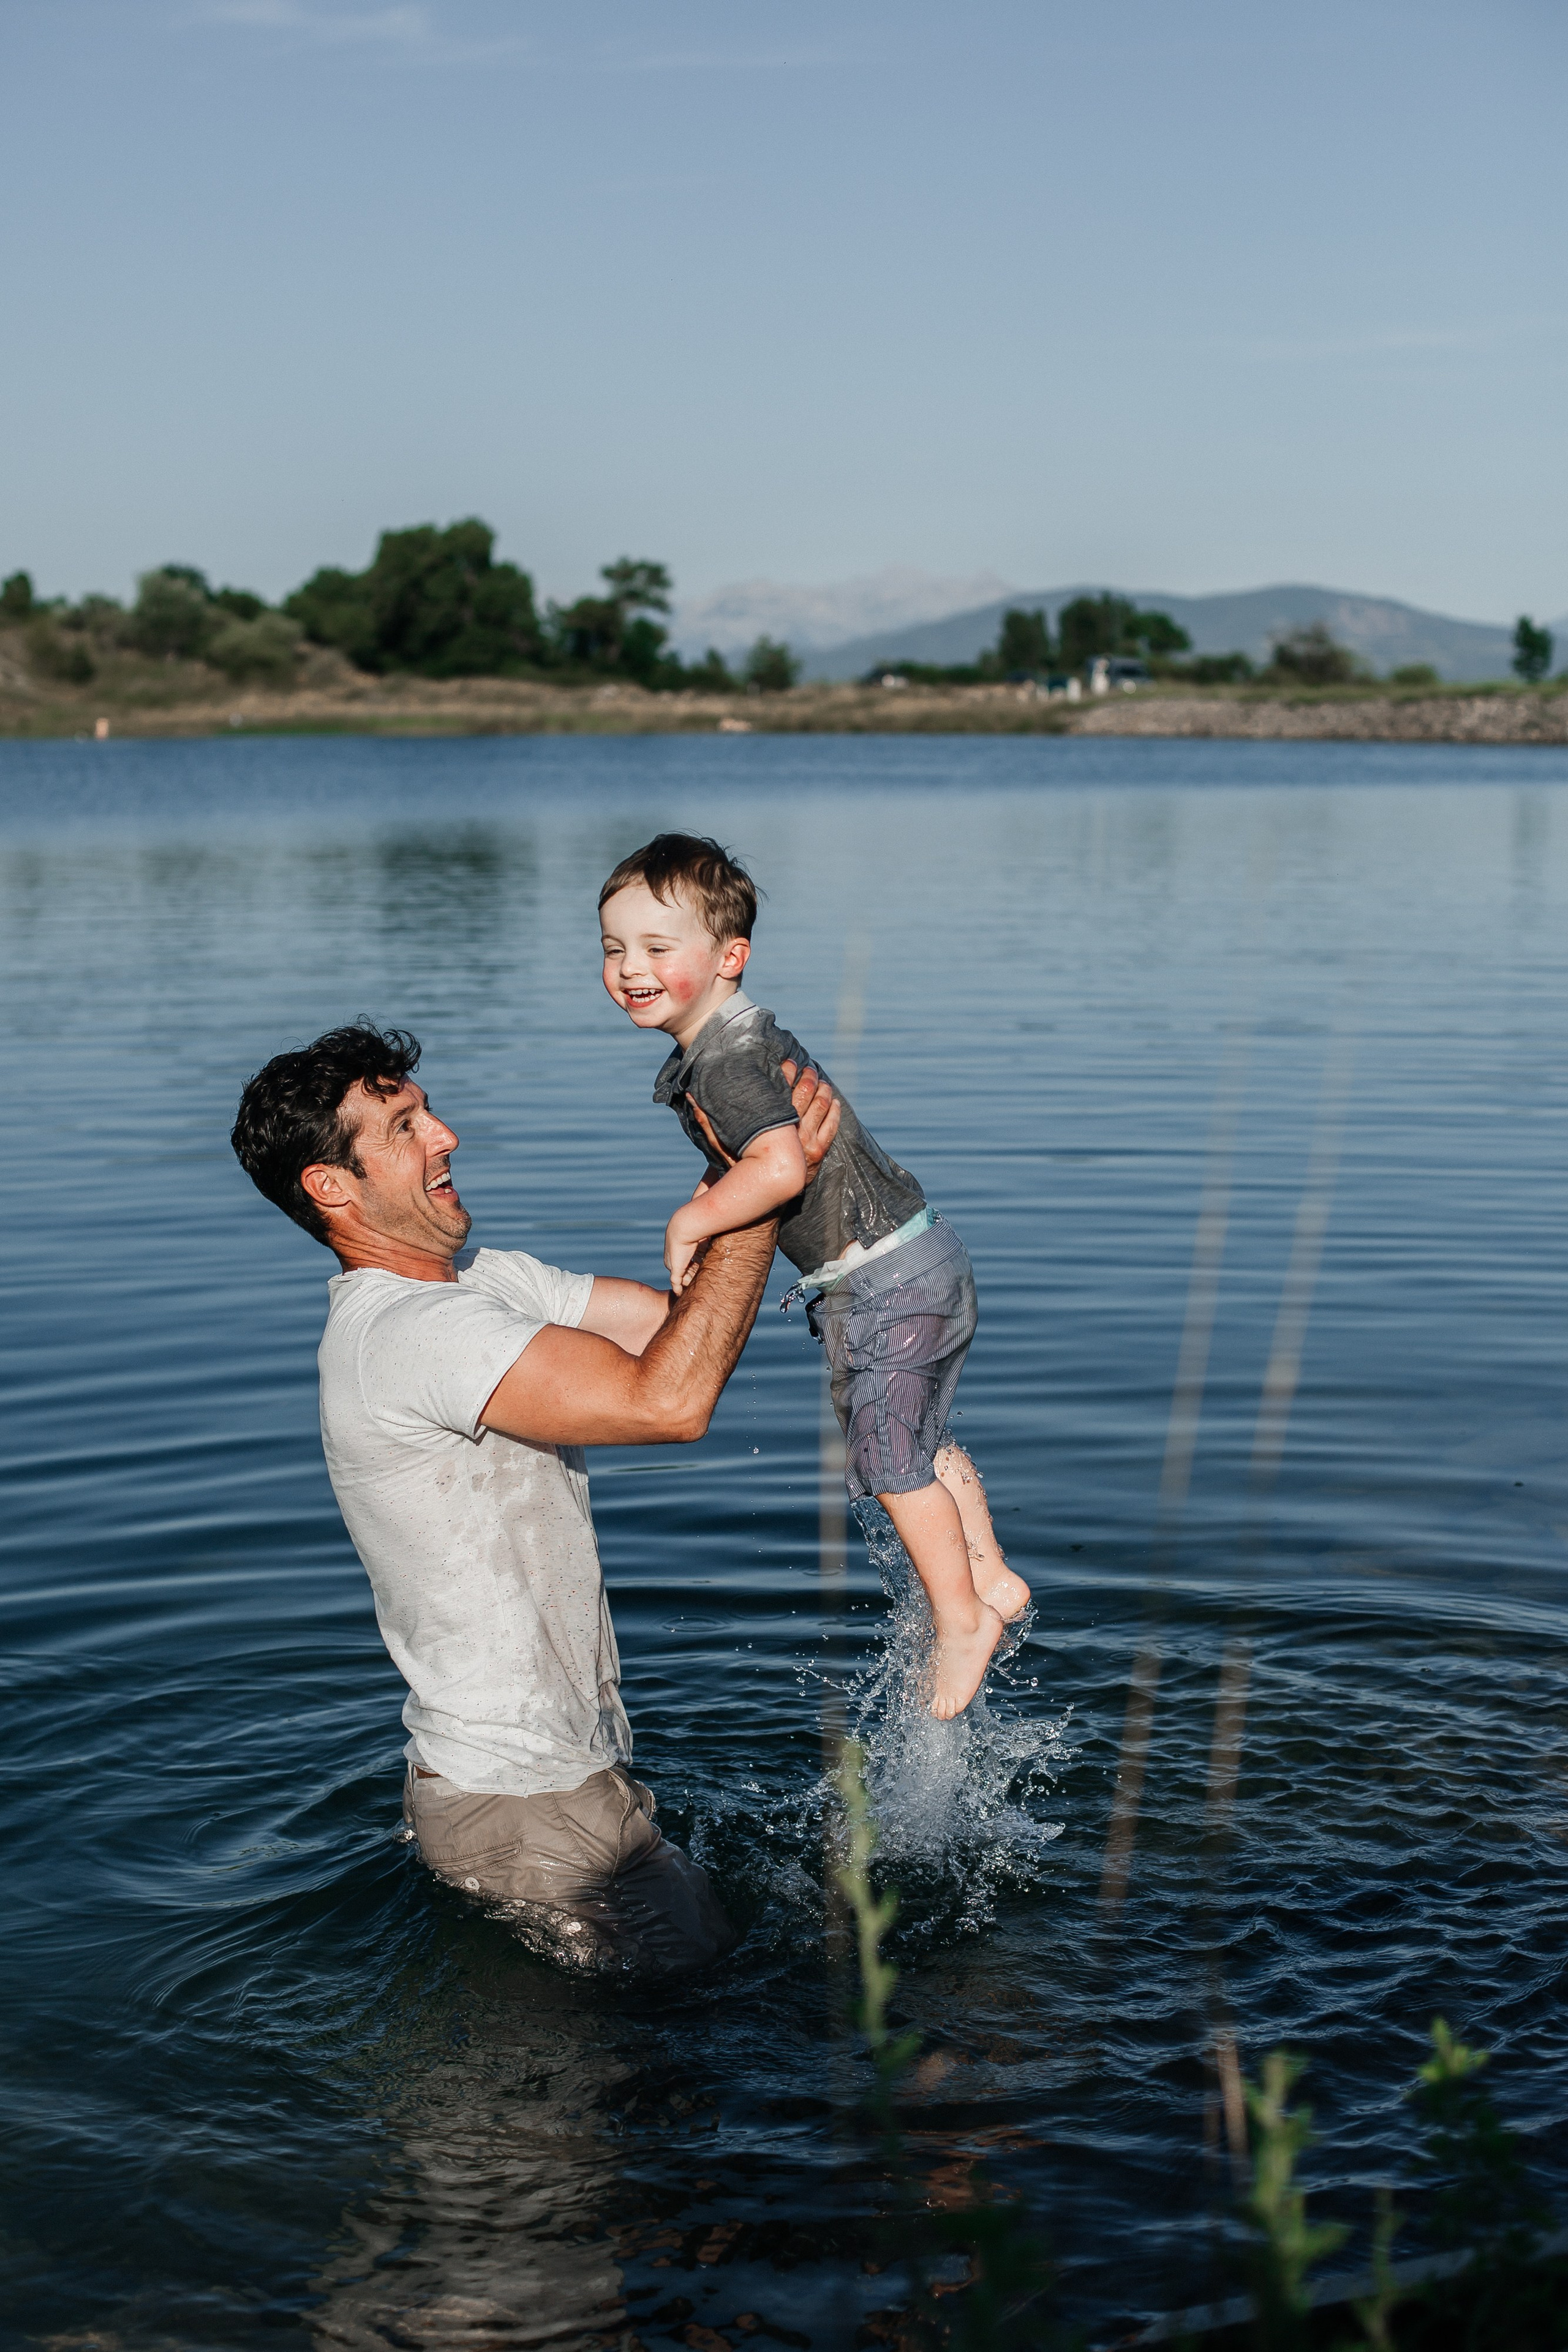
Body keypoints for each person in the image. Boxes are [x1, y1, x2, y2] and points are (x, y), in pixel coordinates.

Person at [229, 1020, 840, 1976]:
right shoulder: (408, 1334)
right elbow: (670, 1405)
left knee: (696, 2036)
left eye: (426, 1111)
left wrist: (742, 1191)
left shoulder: (486, 1284)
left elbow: (684, 1339)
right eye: (404, 1127)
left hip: (559, 1784)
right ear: (330, 1188)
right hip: (523, 1807)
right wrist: (764, 1192)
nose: (446, 1136)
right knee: (678, 2053)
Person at [597, 834, 1030, 1722]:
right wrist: (715, 1197)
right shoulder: (740, 1040)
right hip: (918, 1259)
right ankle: (988, 1574)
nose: (630, 969)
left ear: (729, 957)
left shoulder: (723, 1058)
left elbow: (782, 1168)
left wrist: (690, 1219)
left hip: (882, 1283)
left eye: (655, 948)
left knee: (886, 1455)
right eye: (613, 950)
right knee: (915, 1434)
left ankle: (960, 1621)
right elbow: (750, 1158)